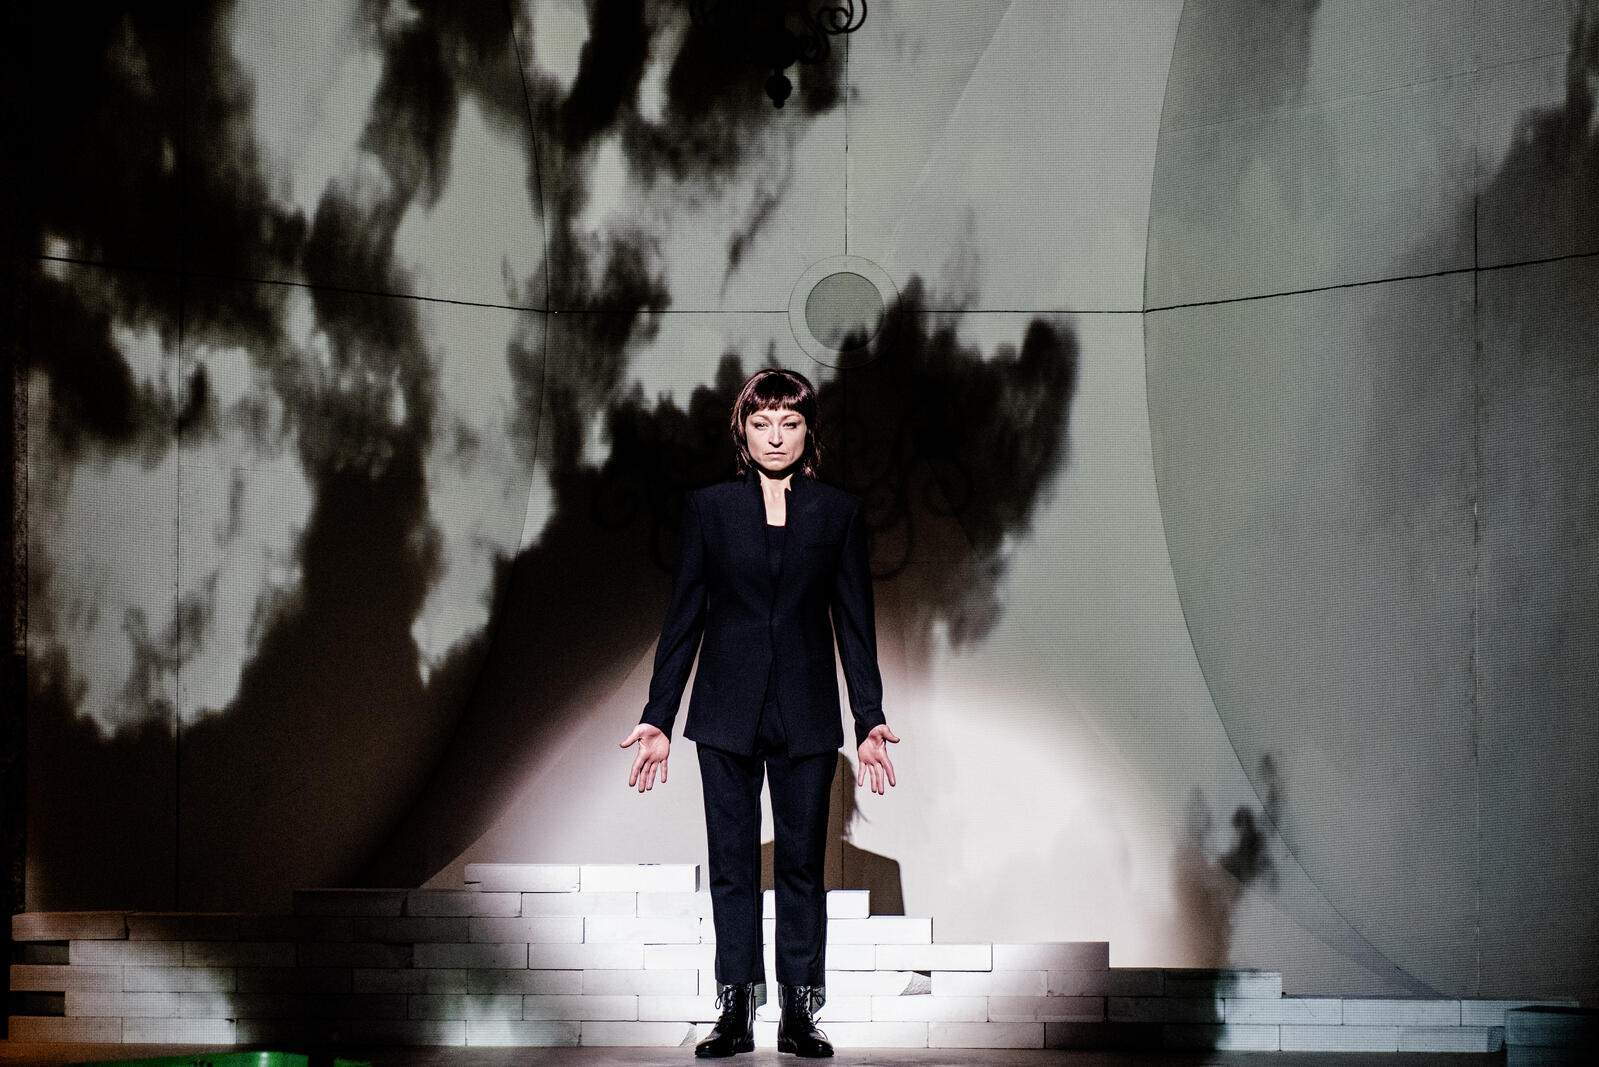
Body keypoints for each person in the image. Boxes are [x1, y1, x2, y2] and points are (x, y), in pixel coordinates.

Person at [620, 368, 900, 1059]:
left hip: (806, 711)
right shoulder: (709, 508)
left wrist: (868, 717)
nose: (775, 436)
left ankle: (801, 1012)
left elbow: (854, 625)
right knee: (732, 865)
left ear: (808, 432)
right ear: (742, 431)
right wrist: (658, 715)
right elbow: (683, 619)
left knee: (802, 865)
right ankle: (735, 1008)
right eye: (761, 422)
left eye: (789, 422)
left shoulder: (836, 511)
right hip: (724, 710)